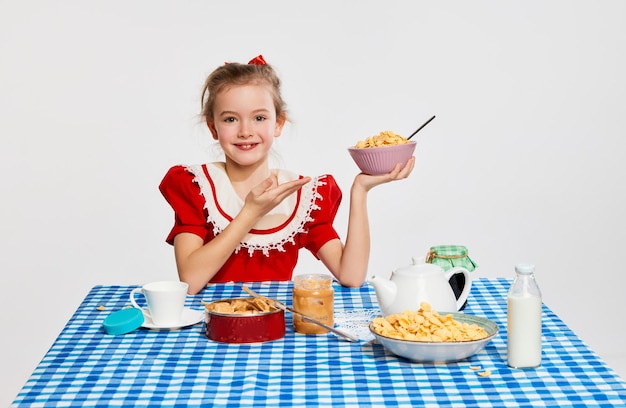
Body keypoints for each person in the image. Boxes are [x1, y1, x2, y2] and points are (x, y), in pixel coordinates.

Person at [159, 55, 415, 295]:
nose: (246, 131)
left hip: (278, 329)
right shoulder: (195, 186)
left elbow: (351, 276)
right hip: (214, 329)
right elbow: (190, 281)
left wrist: (360, 190)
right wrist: (251, 213)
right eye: (230, 120)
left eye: (259, 117)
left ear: (278, 124)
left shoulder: (303, 196)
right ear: (213, 127)